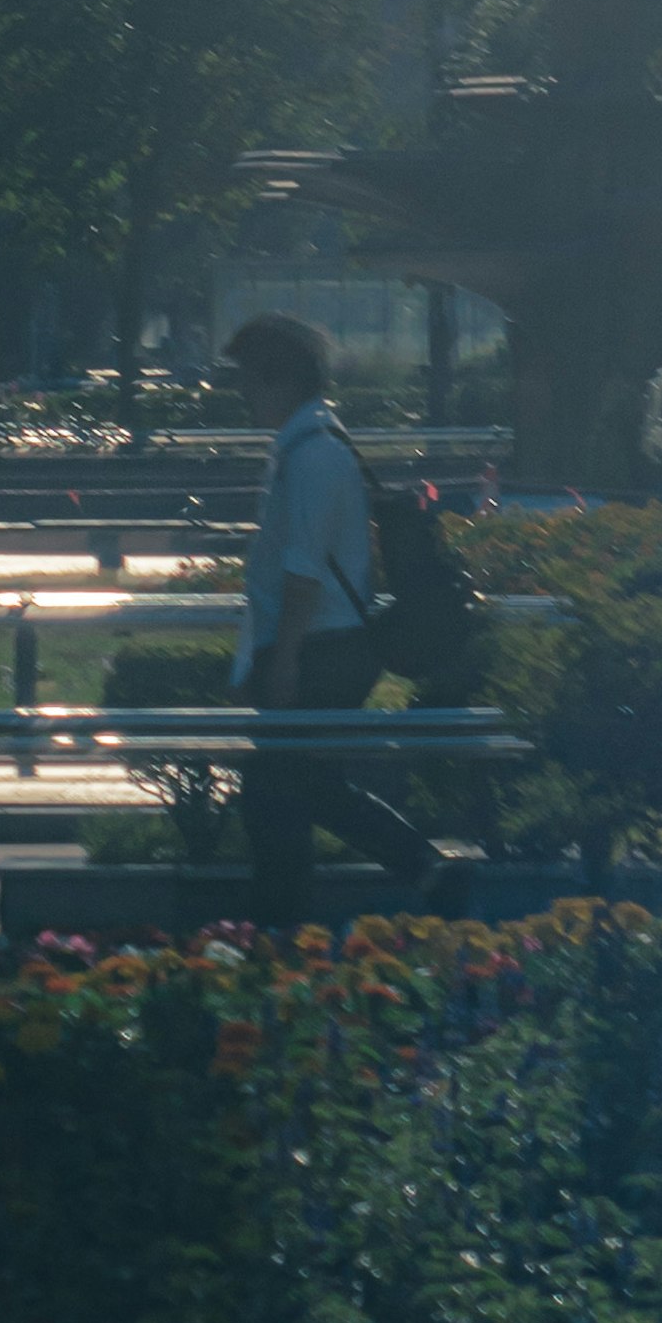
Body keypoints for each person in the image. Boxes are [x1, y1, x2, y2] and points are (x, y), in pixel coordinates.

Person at [223, 312, 442, 920]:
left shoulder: (313, 455)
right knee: (294, 789)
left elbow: (302, 571)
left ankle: (284, 926)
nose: (241, 394)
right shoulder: (308, 446)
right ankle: (420, 873)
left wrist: (283, 659)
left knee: (275, 792)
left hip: (323, 650)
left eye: (248, 380)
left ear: (280, 380)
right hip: (322, 646)